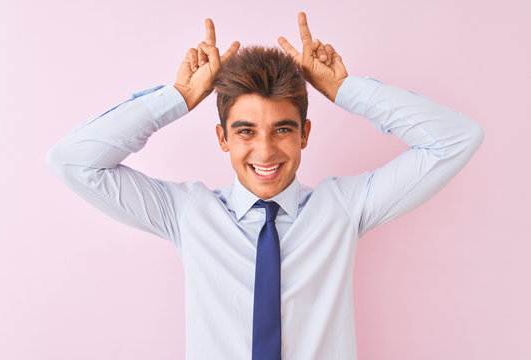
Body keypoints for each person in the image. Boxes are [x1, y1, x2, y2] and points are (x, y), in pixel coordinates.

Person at [46, 12, 484, 360]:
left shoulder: (344, 208)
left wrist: (345, 90)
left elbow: (456, 139)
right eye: (246, 131)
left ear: (305, 134)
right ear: (222, 138)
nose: (266, 151)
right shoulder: (186, 213)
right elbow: (72, 161)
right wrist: (177, 97)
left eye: (282, 130)